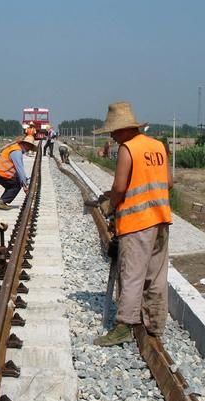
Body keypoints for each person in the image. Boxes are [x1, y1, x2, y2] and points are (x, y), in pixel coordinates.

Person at [92, 102, 173, 346]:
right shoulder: (157, 145)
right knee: (156, 274)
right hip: (161, 218)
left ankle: (124, 326)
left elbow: (119, 187)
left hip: (137, 222)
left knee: (132, 274)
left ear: (124, 129)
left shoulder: (128, 149)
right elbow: (168, 181)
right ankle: (155, 323)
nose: (112, 136)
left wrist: (112, 206)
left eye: (114, 131)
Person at [0, 136, 36, 210]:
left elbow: (17, 169)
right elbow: (20, 169)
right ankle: (2, 202)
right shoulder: (17, 152)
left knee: (12, 183)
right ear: (25, 144)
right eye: (29, 146)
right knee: (16, 185)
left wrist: (25, 179)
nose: (29, 149)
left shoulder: (15, 147)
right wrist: (24, 185)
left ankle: (3, 200)